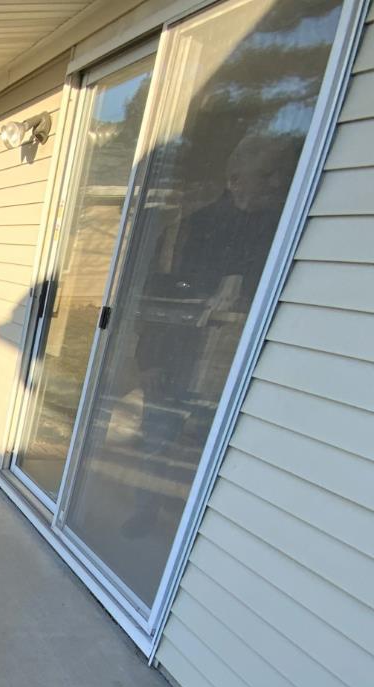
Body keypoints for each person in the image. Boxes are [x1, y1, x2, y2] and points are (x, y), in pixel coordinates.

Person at [120, 133, 300, 539]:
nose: (277, 184)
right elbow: (156, 299)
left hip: (234, 364)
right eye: (268, 175)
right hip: (177, 357)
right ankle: (146, 510)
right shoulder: (194, 229)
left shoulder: (284, 226)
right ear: (235, 179)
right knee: (158, 436)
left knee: (208, 441)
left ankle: (192, 518)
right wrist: (148, 360)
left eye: (280, 176)